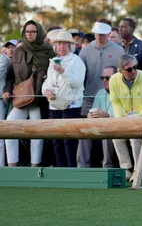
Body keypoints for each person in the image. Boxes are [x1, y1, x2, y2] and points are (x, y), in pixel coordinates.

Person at [4, 20, 56, 167]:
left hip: (39, 100)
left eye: (33, 31)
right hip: (21, 98)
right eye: (27, 31)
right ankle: (12, 165)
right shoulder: (18, 51)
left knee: (37, 134)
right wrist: (7, 90)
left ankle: (35, 166)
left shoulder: (48, 51)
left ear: (39, 32)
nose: (30, 34)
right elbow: (10, 75)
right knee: (8, 127)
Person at [109, 54, 142, 181]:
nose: (134, 71)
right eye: (130, 69)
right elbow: (115, 101)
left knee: (135, 138)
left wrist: (139, 117)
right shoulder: (113, 80)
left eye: (135, 67)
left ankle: (138, 170)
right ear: (121, 71)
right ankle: (126, 169)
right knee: (116, 137)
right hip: (125, 118)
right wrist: (121, 118)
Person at [42, 30, 86, 168]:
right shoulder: (52, 62)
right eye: (59, 43)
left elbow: (78, 83)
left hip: (71, 106)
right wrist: (46, 91)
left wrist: (63, 71)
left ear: (70, 46)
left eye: (65, 44)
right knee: (56, 140)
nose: (61, 46)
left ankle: (71, 170)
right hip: (54, 105)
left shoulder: (76, 61)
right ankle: (60, 169)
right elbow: (47, 82)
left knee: (69, 140)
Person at [89, 66, 119, 168]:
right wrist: (91, 115)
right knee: (82, 136)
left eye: (108, 78)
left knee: (107, 134)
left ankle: (107, 167)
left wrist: (107, 115)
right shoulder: (100, 93)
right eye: (103, 78)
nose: (104, 80)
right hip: (99, 127)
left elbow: (124, 115)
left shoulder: (122, 93)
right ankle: (82, 167)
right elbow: (93, 110)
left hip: (115, 127)